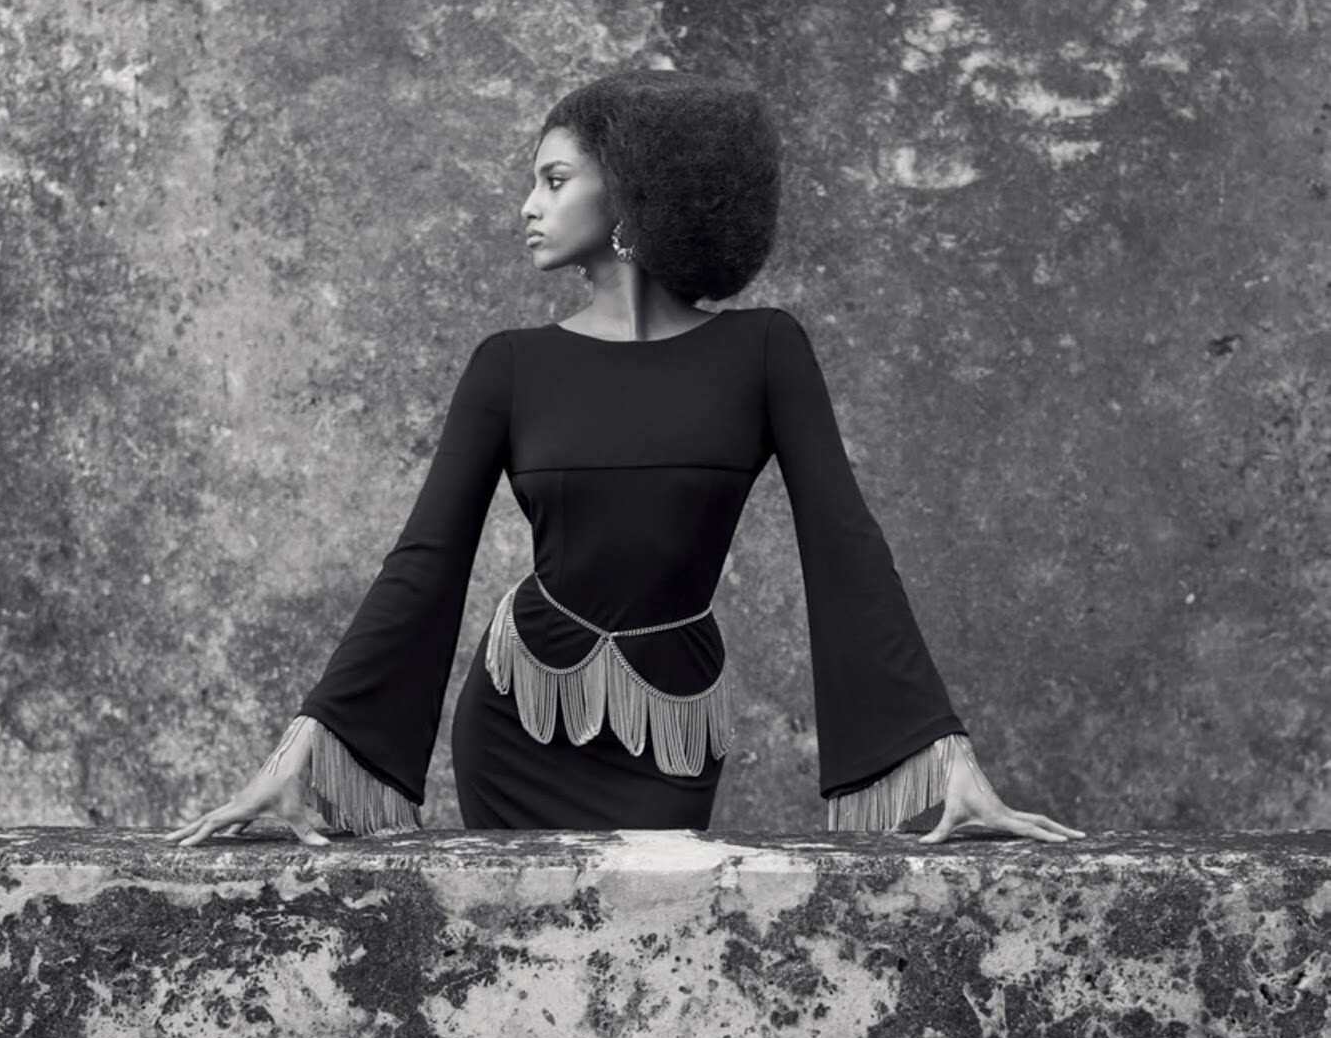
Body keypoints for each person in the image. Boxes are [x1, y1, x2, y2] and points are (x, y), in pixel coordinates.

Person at [168, 69, 1082, 850]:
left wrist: (948, 762)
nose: (528, 206)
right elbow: (423, 561)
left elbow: (847, 544)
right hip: (518, 720)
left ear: (631, 188)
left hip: (671, 727)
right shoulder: (509, 367)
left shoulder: (766, 353)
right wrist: (300, 754)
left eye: (554, 179)